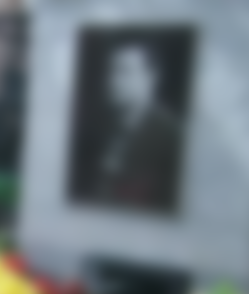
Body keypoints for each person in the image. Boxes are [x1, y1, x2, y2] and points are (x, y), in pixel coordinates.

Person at [75, 43, 181, 213]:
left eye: (124, 72)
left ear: (151, 77)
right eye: (111, 72)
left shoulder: (171, 136)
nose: (113, 81)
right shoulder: (103, 130)